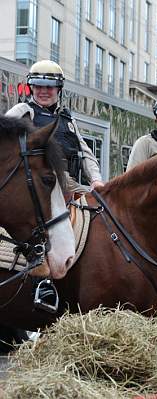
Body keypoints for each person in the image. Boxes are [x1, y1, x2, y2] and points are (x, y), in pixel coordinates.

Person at [5, 60, 104, 313]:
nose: (43, 91)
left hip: (69, 182)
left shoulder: (67, 119)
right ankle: (44, 284)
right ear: (31, 87)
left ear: (59, 89)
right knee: (53, 226)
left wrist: (95, 180)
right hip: (38, 185)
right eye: (38, 86)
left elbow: (85, 153)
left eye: (49, 87)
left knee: (104, 212)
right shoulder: (21, 112)